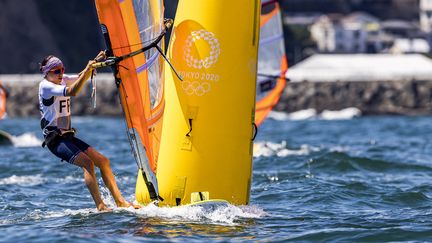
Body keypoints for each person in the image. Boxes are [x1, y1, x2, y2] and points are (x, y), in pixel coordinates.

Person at [38, 53, 136, 211]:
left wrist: (95, 63)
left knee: (103, 162)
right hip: (55, 140)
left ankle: (120, 201)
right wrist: (88, 69)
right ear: (47, 72)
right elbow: (73, 91)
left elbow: (80, 76)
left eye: (62, 69)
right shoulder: (46, 86)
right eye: (56, 71)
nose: (61, 73)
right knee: (88, 163)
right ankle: (100, 205)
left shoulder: (61, 79)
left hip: (67, 136)